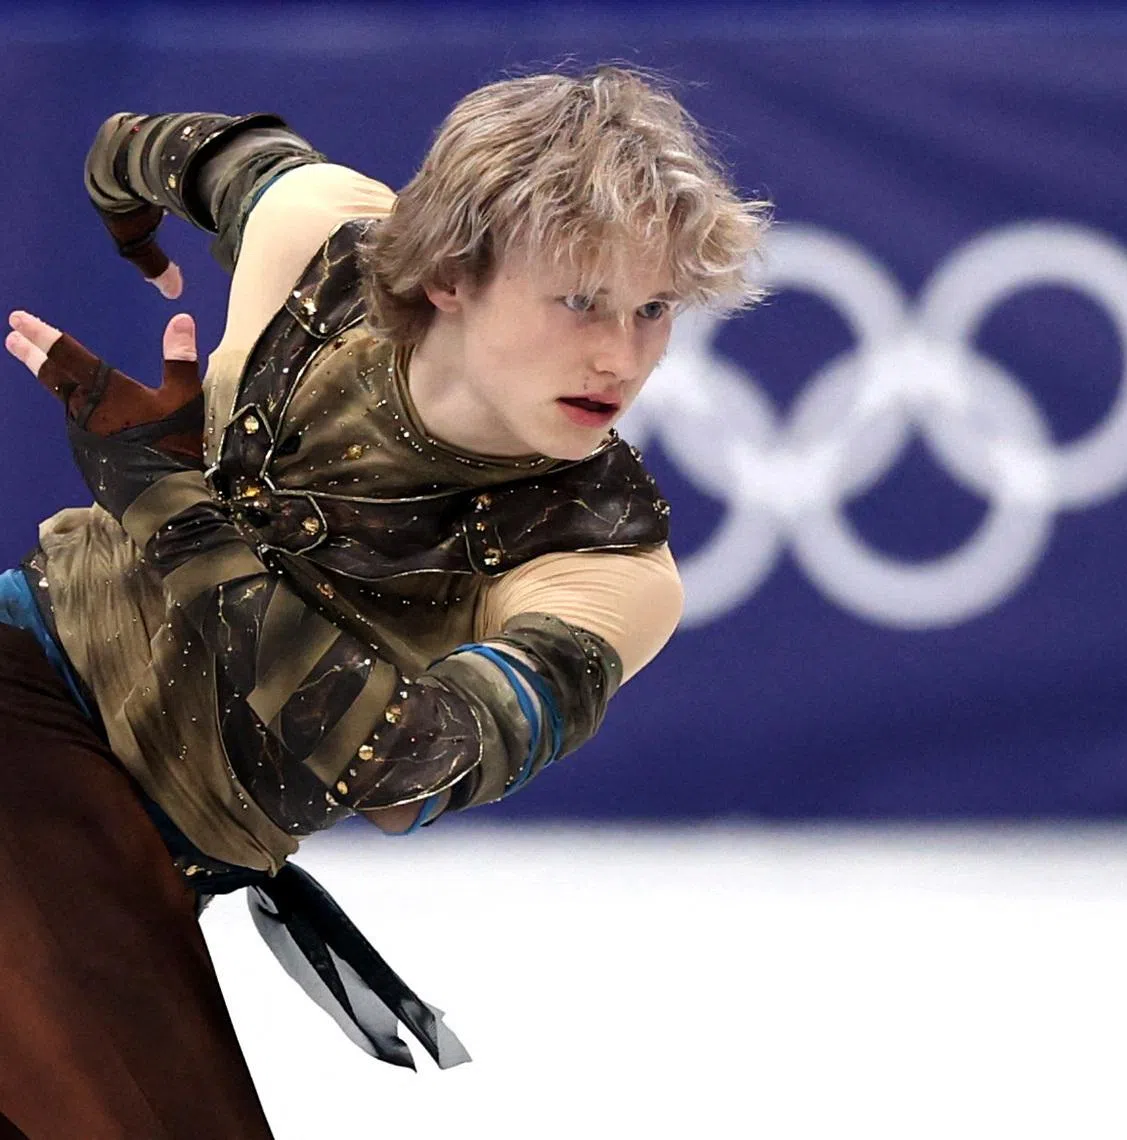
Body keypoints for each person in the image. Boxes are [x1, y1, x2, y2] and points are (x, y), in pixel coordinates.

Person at [0, 66, 767, 1137]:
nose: (622, 355)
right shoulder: (318, 236)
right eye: (581, 299)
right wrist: (133, 224)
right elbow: (148, 144)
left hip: (152, 863)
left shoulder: (606, 568)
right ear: (452, 271)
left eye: (653, 309)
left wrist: (171, 510)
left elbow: (402, 773)